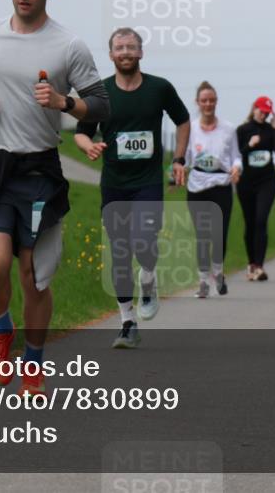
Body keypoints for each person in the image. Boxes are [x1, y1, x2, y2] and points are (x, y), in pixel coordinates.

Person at [0, 0, 109, 396]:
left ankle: (33, 362)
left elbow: (100, 104)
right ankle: (2, 329)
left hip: (40, 169)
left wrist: (64, 104)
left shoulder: (68, 45)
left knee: (33, 275)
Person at [74, 27, 190, 349]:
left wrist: (178, 159)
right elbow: (81, 132)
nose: (125, 52)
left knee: (144, 240)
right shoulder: (100, 94)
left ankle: (149, 279)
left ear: (141, 53)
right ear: (110, 55)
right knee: (120, 253)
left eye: (131, 47)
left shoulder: (160, 88)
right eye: (119, 47)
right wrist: (88, 147)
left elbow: (182, 120)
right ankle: (127, 321)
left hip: (148, 181)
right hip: (114, 184)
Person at [185, 81, 241, 298]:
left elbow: (236, 155)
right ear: (198, 103)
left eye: (212, 100)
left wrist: (237, 168)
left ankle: (218, 272)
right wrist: (177, 170)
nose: (208, 104)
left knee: (219, 235)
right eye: (204, 100)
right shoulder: (191, 128)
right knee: (202, 235)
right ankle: (202, 282)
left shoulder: (229, 129)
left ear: (216, 102)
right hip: (198, 185)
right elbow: (185, 157)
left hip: (221, 184)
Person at [236, 96, 275, 281]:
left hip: (267, 181)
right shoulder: (242, 130)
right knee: (250, 223)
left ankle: (259, 266)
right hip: (246, 182)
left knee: (261, 220)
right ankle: (251, 263)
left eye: (267, 112)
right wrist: (249, 145)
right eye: (261, 110)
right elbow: (236, 154)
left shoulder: (270, 129)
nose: (264, 114)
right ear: (254, 108)